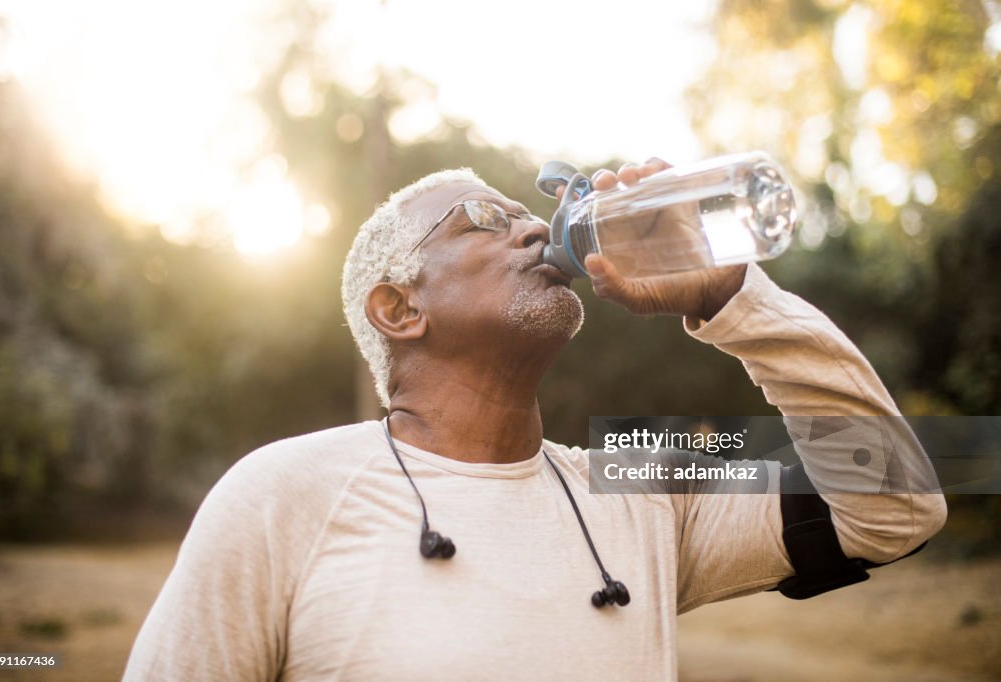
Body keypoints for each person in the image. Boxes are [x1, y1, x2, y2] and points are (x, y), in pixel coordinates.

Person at [124, 158, 946, 681]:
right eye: (483, 219)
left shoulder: (639, 481)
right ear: (399, 309)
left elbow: (895, 503)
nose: (529, 226)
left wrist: (733, 299)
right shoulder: (282, 493)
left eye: (527, 212)